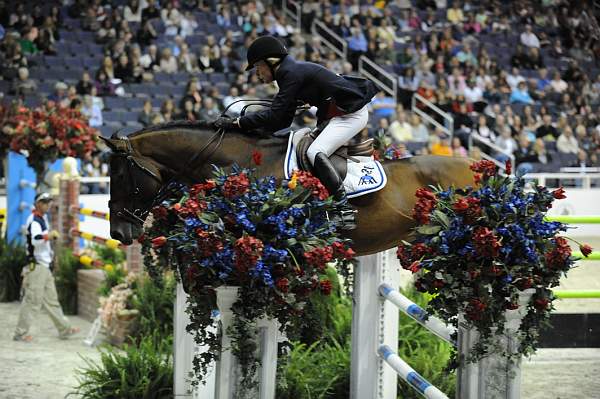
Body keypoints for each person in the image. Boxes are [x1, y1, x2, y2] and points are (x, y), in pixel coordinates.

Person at [214, 36, 379, 228]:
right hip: (336, 114)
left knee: (314, 152)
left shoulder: (290, 73)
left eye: (258, 66)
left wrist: (238, 122)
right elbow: (282, 120)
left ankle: (344, 210)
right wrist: (252, 130)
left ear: (271, 61)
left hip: (351, 115)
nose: (257, 73)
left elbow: (275, 116)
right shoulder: (289, 73)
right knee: (297, 139)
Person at [13, 193, 79, 342]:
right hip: (36, 266)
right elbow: (35, 240)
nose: (47, 205)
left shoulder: (42, 219)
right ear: (37, 204)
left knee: (51, 300)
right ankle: (20, 333)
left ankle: (64, 329)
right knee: (32, 300)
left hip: (44, 265)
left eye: (48, 202)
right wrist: (49, 236)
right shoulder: (35, 220)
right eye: (44, 202)